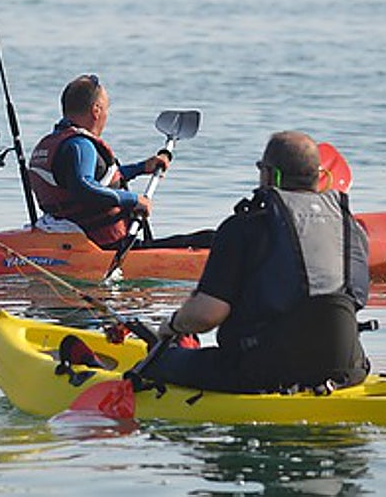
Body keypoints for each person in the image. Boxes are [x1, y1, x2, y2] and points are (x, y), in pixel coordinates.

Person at [140, 130, 370, 393]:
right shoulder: (351, 228)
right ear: (319, 176)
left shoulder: (245, 227)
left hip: (262, 373)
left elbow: (206, 315)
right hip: (347, 370)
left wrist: (171, 326)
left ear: (271, 175)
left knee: (155, 364)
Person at [27, 74, 214, 251]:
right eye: (106, 109)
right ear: (96, 111)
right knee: (212, 240)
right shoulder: (80, 145)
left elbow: (99, 180)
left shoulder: (53, 144)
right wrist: (133, 200)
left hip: (75, 239)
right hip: (107, 247)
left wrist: (142, 168)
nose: (106, 116)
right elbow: (83, 188)